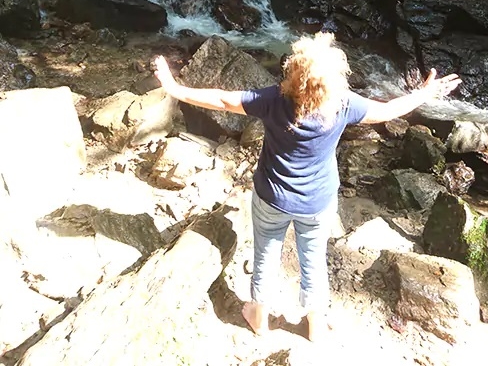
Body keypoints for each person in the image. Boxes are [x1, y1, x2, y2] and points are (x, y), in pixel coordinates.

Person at [153, 32, 461, 342]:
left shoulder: (273, 100)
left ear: (293, 73)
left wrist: (174, 86)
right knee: (313, 261)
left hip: (272, 197)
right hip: (317, 202)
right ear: (336, 79)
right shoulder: (343, 104)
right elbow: (389, 110)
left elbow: (222, 99)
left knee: (265, 257)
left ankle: (258, 319)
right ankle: (314, 328)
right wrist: (424, 93)